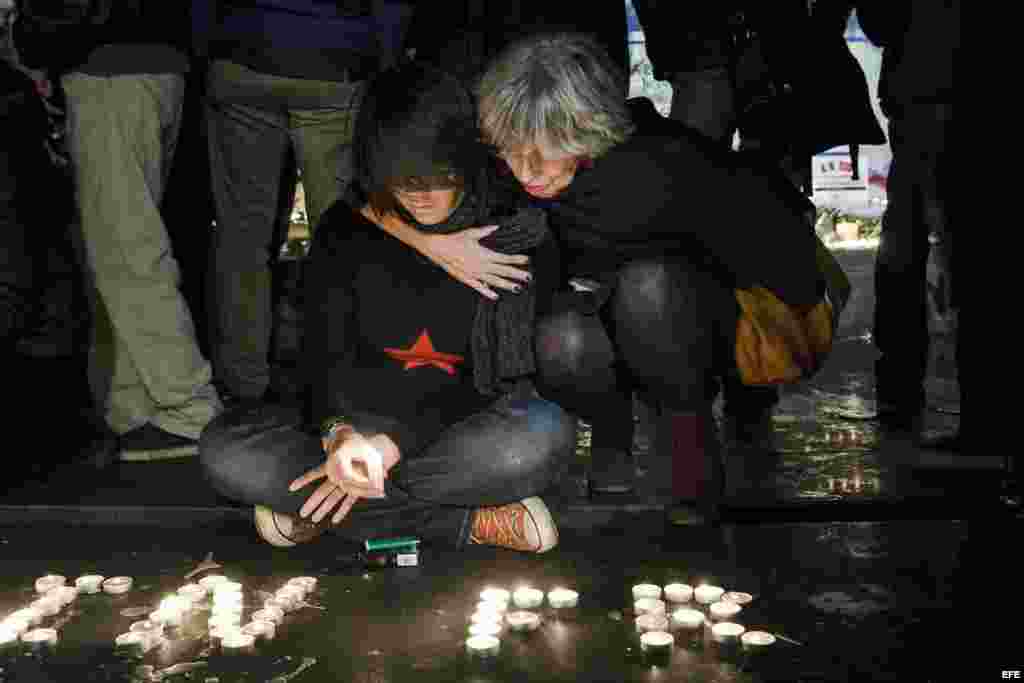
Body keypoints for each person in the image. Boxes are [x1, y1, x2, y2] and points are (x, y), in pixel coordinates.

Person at [373, 33, 827, 523]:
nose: (527, 172)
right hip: (598, 330)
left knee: (650, 289)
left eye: (543, 153)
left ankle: (690, 450)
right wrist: (433, 244)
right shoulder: (503, 173)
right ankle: (612, 431)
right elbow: (364, 200)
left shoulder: (666, 168)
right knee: (561, 335)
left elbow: (794, 274)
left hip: (693, 330)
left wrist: (742, 372)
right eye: (511, 151)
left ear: (586, 132)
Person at [200, 62, 575, 553]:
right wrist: (340, 435)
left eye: (436, 178)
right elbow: (321, 358)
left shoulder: (509, 230)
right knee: (224, 452)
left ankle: (326, 510)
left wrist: (391, 443)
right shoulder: (349, 227)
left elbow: (484, 385)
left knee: (541, 436)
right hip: (355, 423)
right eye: (401, 181)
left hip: (452, 428)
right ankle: (462, 523)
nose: (419, 195)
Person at [13, 0, 223, 461]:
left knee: (126, 249)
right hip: (154, 64)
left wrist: (31, 40)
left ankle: (187, 406)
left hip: (109, 68)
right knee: (119, 245)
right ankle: (133, 406)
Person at [195, 0, 414, 404]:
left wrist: (213, 43)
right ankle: (340, 381)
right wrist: (381, 61)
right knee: (337, 235)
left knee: (241, 235)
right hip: (333, 58)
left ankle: (243, 384)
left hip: (243, 53)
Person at [854, 1, 960, 451]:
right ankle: (988, 411)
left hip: (923, 107)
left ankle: (900, 399)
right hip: (940, 103)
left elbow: (881, 24)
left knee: (903, 258)